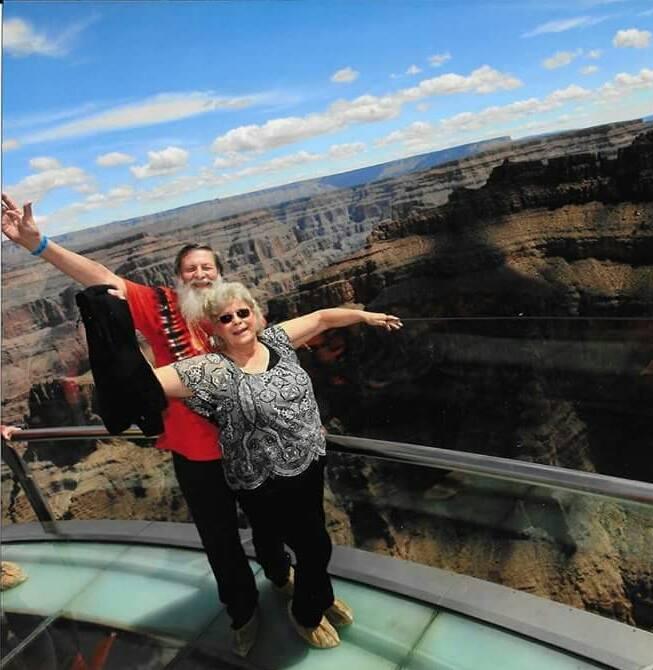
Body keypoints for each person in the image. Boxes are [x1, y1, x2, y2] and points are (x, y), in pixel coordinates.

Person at [1, 194, 289, 656]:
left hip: (250, 444)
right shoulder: (161, 307)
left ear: (220, 272)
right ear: (179, 277)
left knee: (271, 524)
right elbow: (103, 279)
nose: (199, 274)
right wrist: (39, 246)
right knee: (220, 542)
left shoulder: (239, 312)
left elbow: (282, 353)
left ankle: (283, 581)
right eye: (190, 268)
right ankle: (243, 613)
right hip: (195, 452)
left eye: (206, 267)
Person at [151, 281, 403, 648]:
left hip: (308, 465)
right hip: (260, 479)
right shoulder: (209, 369)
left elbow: (320, 318)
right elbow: (146, 384)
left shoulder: (277, 340)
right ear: (214, 328)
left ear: (255, 314)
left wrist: (365, 316)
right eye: (226, 318)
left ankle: (310, 589)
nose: (237, 321)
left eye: (243, 312)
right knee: (315, 546)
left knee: (301, 535)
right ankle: (306, 612)